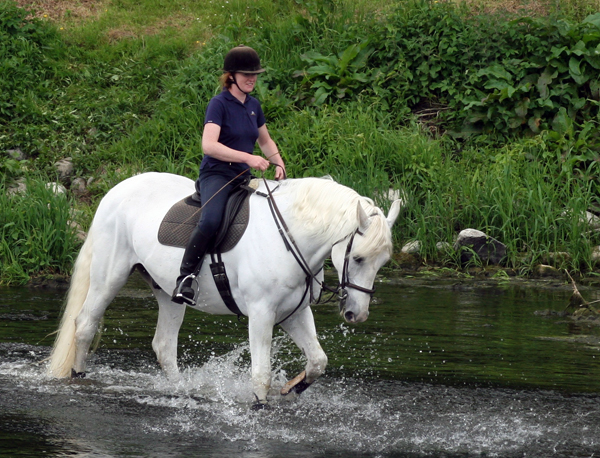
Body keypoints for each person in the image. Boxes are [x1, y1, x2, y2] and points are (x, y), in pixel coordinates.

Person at [172, 45, 286, 305]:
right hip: (217, 174)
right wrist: (248, 157)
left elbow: (265, 141)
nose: (252, 78)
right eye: (246, 74)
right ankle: (185, 278)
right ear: (231, 76)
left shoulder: (254, 105)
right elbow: (209, 146)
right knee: (211, 221)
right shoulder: (218, 104)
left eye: (255, 74)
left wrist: (278, 163)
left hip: (242, 178)